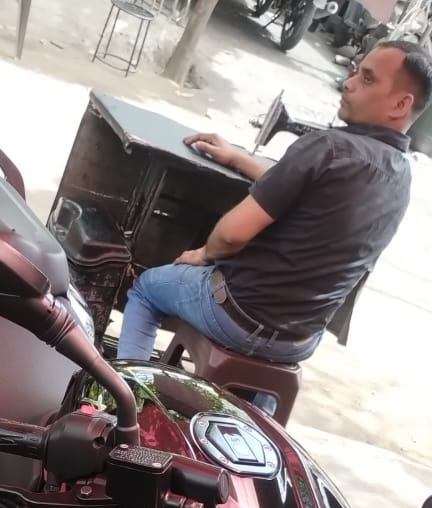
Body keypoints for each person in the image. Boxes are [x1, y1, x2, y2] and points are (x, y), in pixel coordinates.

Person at [117, 41, 432, 364]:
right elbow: (302, 186)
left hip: (238, 317)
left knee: (146, 289)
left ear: (400, 104)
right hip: (299, 341)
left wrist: (202, 254)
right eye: (355, 73)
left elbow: (230, 236)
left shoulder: (327, 148)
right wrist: (238, 159)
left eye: (367, 79)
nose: (349, 83)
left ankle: (126, 393)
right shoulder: (401, 178)